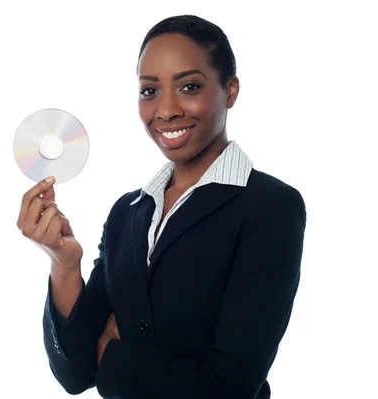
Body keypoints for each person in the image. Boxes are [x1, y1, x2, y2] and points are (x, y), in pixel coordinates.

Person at [16, 14, 307, 399]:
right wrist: (64, 265)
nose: (166, 110)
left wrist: (112, 356)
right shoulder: (127, 213)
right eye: (150, 91)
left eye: (189, 86)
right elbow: (75, 373)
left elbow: (228, 387)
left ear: (230, 90)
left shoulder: (270, 206)